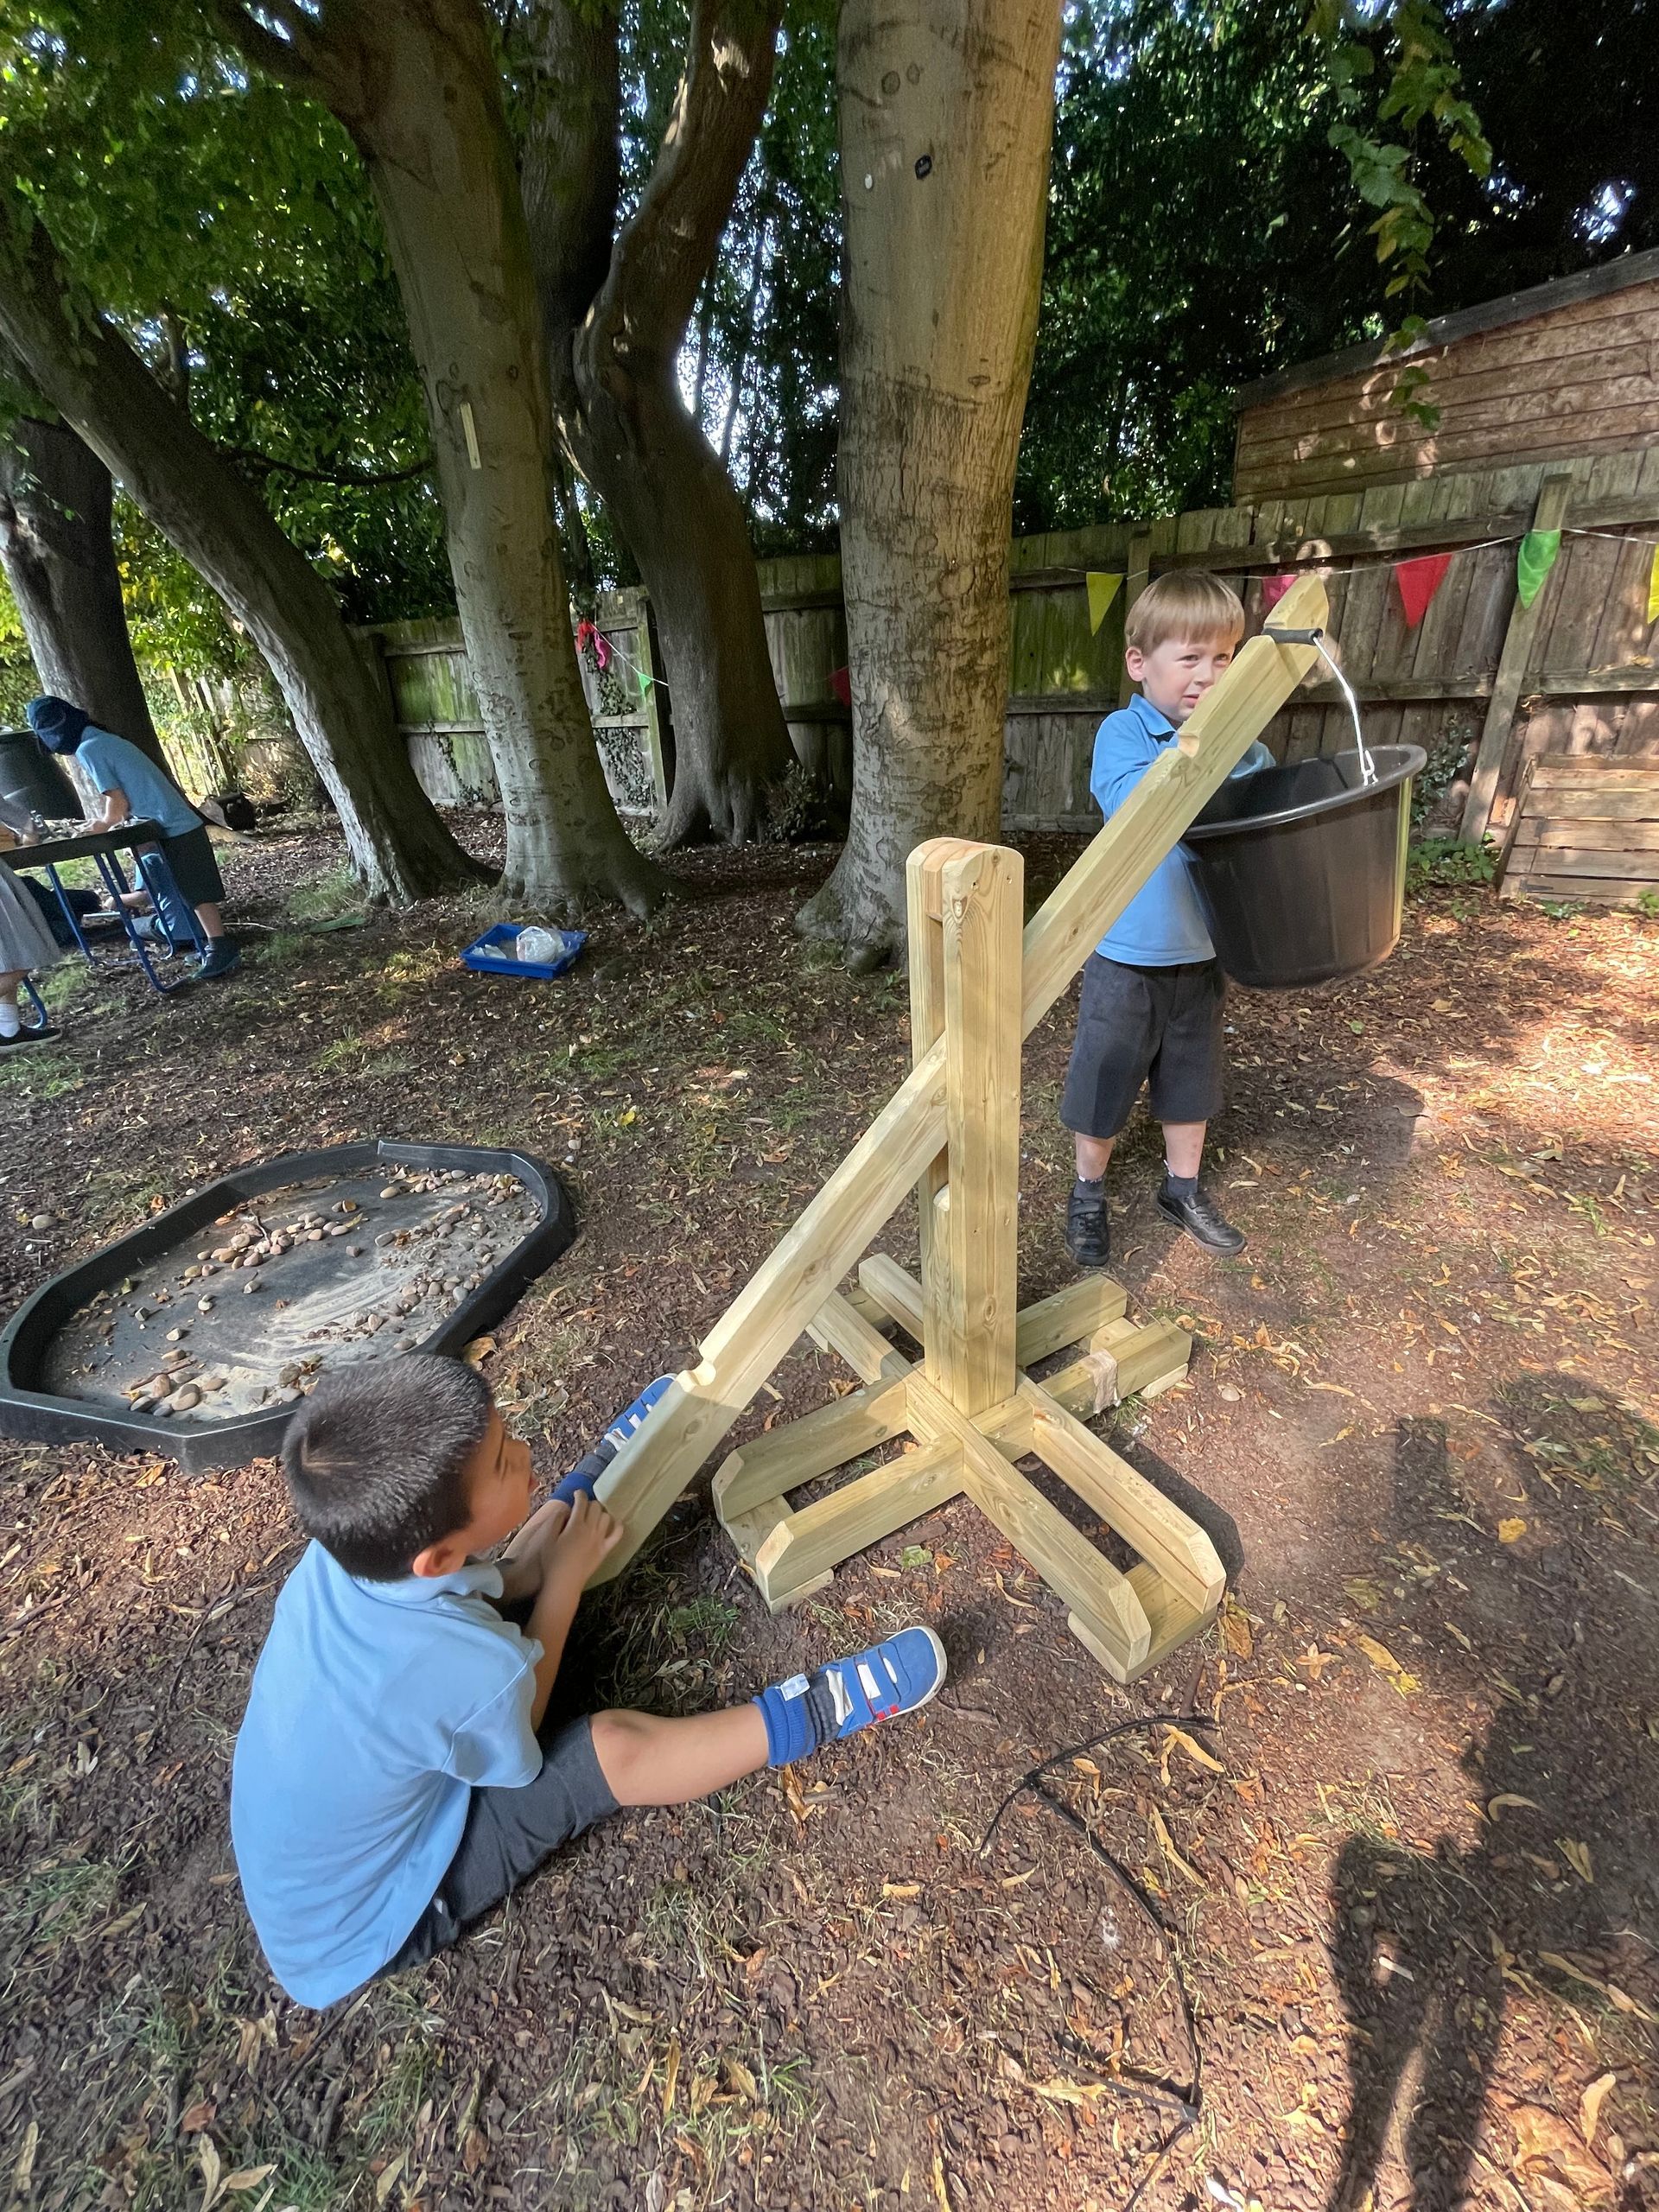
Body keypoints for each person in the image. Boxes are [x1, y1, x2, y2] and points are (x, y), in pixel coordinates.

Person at [231, 1356, 947, 2008]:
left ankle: (599, 1486)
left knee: (514, 1580)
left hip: (340, 1835)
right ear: (437, 1554)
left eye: (504, 1436)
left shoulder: (346, 1559)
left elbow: (489, 1584)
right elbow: (525, 1736)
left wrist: (541, 1569)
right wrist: (565, 1580)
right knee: (605, 1751)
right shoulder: (456, 1668)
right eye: (506, 1463)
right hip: (380, 1918)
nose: (524, 1452)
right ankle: (817, 1712)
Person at [1061, 571, 1272, 1269]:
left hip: (1202, 953)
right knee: (1105, 1074)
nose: (1208, 678)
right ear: (1139, 663)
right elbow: (1137, 810)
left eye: (1224, 659)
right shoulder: (1125, 733)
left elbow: (1258, 819)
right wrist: (1205, 747)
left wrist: (1230, 742)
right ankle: (1088, 1191)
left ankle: (1182, 1189)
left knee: (1192, 1079)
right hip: (1126, 955)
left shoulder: (1247, 745)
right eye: (1190, 659)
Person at [23, 696, 239, 979]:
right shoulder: (106, 740)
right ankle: (210, 946)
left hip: (174, 826)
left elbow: (117, 804)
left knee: (196, 895)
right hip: (171, 823)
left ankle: (220, 948)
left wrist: (100, 826)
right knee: (189, 893)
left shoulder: (91, 749)